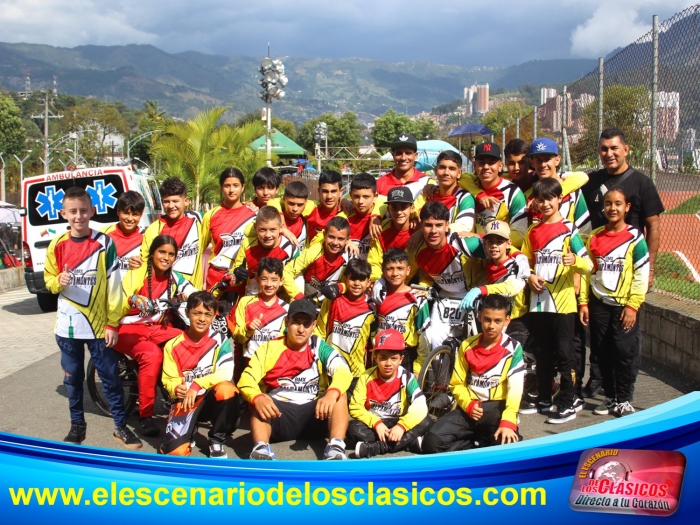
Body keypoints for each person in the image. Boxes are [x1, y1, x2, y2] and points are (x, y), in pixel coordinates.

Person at [44, 187, 142, 449]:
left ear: (92, 211)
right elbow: (48, 282)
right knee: (72, 379)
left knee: (110, 378)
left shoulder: (105, 243)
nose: (79, 216)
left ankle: (120, 426)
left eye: (84, 210)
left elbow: (114, 286)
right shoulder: (57, 244)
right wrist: (59, 281)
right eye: (73, 211)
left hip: (99, 328)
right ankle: (77, 425)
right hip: (68, 328)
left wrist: (112, 323)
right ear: (63, 214)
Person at [238, 298, 353, 460]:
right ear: (287, 322)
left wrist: (331, 393)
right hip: (279, 414)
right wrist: (257, 398)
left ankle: (335, 448)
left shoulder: (320, 346)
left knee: (339, 394)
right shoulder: (269, 348)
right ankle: (261, 449)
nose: (301, 329)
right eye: (296, 323)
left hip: (315, 414)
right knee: (260, 398)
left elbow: (343, 370)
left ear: (313, 325)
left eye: (306, 324)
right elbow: (246, 378)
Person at [520, 178, 592, 424]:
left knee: (564, 354)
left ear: (560, 199)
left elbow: (588, 265)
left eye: (550, 198)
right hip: (539, 303)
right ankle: (543, 399)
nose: (545, 204)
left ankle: (568, 402)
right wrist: (530, 276)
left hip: (563, 304)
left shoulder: (570, 229)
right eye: (540, 200)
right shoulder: (533, 231)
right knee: (542, 353)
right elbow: (524, 263)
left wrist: (576, 261)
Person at [115, 234, 195, 437]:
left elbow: (194, 293)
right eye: (161, 252)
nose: (166, 258)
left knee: (185, 342)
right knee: (152, 355)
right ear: (152, 253)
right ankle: (145, 415)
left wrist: (209, 301)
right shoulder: (137, 271)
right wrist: (132, 299)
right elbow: (120, 297)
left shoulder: (174, 277)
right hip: (126, 329)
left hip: (156, 328)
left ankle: (178, 396)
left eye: (171, 254)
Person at [422, 294, 524, 453]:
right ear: (479, 316)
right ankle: (476, 445)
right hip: (469, 407)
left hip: (497, 408)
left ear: (507, 320)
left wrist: (508, 421)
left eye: (497, 321)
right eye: (487, 319)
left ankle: (479, 444)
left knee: (506, 446)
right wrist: (468, 405)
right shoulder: (467, 345)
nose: (491, 326)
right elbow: (456, 384)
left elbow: (515, 389)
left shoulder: (514, 348)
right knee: (431, 442)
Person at [579, 188, 649, 418]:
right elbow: (588, 272)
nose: (612, 208)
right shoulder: (595, 236)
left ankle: (624, 399)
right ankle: (610, 397)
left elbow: (641, 274)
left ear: (627, 207)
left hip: (624, 305)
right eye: (608, 203)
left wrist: (632, 306)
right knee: (602, 351)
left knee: (624, 352)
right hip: (599, 303)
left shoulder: (635, 238)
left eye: (618, 204)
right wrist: (584, 302)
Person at [401, 201, 486, 375]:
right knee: (434, 343)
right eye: (428, 225)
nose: (433, 231)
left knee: (474, 347)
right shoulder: (416, 248)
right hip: (445, 297)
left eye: (439, 225)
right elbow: (407, 275)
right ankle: (440, 384)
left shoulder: (465, 243)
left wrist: (481, 236)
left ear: (447, 225)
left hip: (474, 295)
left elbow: (503, 250)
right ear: (421, 226)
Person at [160, 292, 240, 458]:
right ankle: (190, 430)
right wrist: (176, 388)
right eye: (197, 313)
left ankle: (216, 440)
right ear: (187, 312)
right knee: (175, 453)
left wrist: (197, 385)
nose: (202, 319)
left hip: (209, 399)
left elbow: (226, 372)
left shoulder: (220, 340)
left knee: (228, 389)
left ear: (213, 317)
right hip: (185, 401)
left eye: (207, 314)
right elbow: (169, 379)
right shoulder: (172, 345)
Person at [582, 128, 663, 291]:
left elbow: (653, 226)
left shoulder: (642, 183)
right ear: (599, 151)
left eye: (614, 148)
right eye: (604, 149)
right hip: (598, 267)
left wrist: (649, 268)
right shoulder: (590, 182)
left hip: (628, 267)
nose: (609, 154)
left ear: (625, 150)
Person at [349, 329, 432, 458]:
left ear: (401, 359)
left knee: (426, 421)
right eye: (383, 358)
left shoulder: (407, 377)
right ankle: (408, 443)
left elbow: (420, 406)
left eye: (394, 358)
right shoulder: (366, 377)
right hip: (376, 422)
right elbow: (355, 407)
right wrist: (376, 423)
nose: (388, 363)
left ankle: (377, 447)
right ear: (375, 358)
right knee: (352, 428)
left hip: (399, 420)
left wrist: (402, 426)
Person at [458, 220, 530, 348]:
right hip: (493, 319)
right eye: (490, 242)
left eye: (499, 242)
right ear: (484, 243)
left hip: (515, 320)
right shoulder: (485, 264)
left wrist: (480, 290)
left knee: (507, 353)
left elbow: (511, 287)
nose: (494, 246)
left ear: (508, 243)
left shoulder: (516, 264)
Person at [133, 177, 204, 289]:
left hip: (193, 294)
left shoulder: (198, 221)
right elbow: (145, 264)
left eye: (175, 201)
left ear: (186, 201)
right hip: (164, 294)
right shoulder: (153, 230)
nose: (171, 206)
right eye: (166, 201)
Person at [315, 259, 376, 381]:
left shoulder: (372, 307)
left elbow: (373, 340)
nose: (357, 283)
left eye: (362, 280)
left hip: (357, 371)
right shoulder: (333, 300)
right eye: (353, 279)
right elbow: (320, 330)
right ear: (345, 278)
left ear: (369, 282)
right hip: (330, 366)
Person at [457, 142, 528, 248]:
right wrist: (479, 195)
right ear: (475, 166)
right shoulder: (471, 183)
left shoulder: (513, 193)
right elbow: (460, 177)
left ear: (500, 166)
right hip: (473, 252)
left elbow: (520, 235)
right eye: (481, 163)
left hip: (500, 253)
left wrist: (483, 237)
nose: (486, 167)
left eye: (491, 163)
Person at [200, 168, 256, 291]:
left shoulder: (253, 214)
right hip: (217, 277)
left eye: (236, 185)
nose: (231, 190)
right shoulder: (210, 216)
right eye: (227, 186)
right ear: (221, 187)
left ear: (242, 187)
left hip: (244, 277)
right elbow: (199, 250)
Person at [228, 206, 300, 296]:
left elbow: (297, 281)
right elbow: (234, 275)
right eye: (262, 230)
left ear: (281, 228)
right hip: (252, 299)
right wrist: (236, 275)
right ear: (255, 228)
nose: (268, 235)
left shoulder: (291, 249)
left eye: (273, 230)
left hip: (281, 300)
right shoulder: (247, 245)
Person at [373, 248, 423, 373]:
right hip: (380, 353)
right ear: (383, 270)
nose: (395, 273)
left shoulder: (418, 298)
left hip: (406, 355)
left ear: (408, 270)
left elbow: (424, 335)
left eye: (400, 268)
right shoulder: (377, 295)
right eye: (390, 268)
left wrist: (418, 368)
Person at [232, 257, 289, 363]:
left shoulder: (287, 308)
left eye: (274, 280)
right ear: (257, 279)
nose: (269, 284)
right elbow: (237, 337)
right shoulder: (245, 302)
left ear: (281, 281)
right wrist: (248, 328)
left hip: (275, 363)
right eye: (264, 279)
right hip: (249, 361)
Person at [282, 216, 350, 300]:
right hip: (306, 300)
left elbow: (356, 283)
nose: (335, 243)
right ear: (324, 235)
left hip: (330, 303)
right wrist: (299, 296)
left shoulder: (349, 256)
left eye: (341, 239)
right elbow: (287, 271)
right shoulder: (314, 251)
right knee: (298, 278)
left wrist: (340, 287)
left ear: (348, 240)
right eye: (331, 237)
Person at [414, 150, 475, 232]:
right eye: (442, 167)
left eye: (452, 169)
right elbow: (412, 211)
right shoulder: (428, 193)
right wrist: (413, 218)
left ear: (459, 173)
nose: (446, 172)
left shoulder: (465, 198)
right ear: (435, 170)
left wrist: (426, 232)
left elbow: (464, 226)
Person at [367, 187, 416, 281]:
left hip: (412, 280)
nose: (399, 212)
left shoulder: (418, 230)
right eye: (394, 208)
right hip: (385, 280)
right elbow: (374, 262)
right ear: (388, 210)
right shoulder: (379, 228)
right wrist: (376, 281)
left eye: (403, 207)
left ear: (412, 208)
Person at [102, 190, 145, 279]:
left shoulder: (146, 236)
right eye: (126, 213)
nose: (130, 218)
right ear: (118, 211)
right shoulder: (104, 234)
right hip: (109, 287)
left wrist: (142, 264)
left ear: (141, 215)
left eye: (135, 214)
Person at [342, 172, 381, 259]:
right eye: (356, 196)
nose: (360, 201)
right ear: (350, 195)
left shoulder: (384, 215)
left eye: (366, 197)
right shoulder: (343, 218)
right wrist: (343, 240)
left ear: (375, 196)